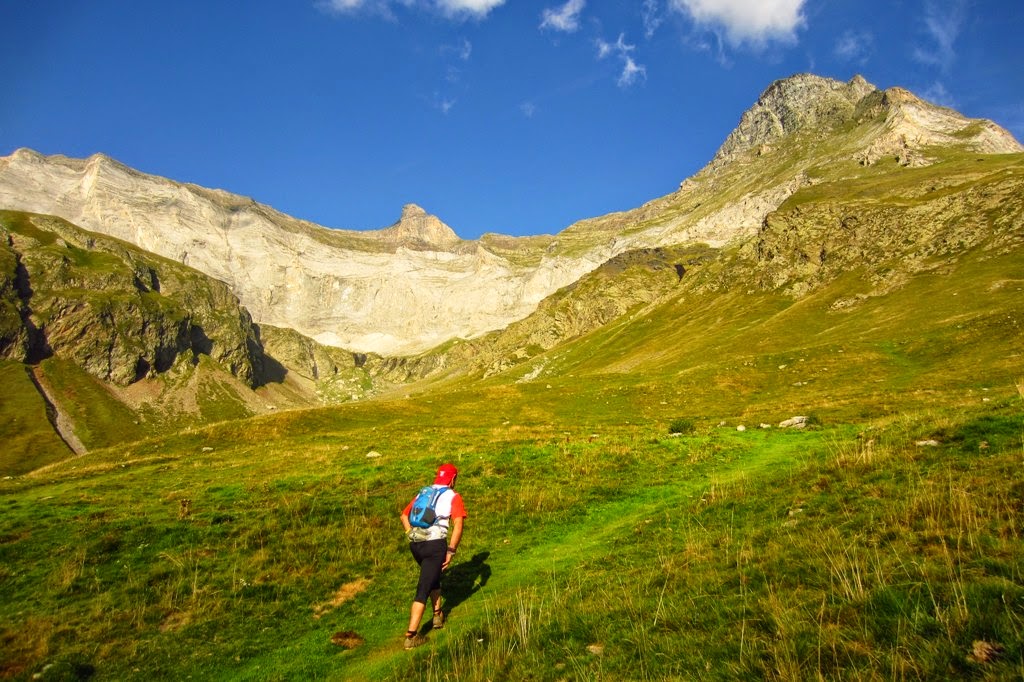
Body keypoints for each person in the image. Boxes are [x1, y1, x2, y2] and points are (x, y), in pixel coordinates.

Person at [400, 463, 466, 649]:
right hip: (435, 546)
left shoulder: (424, 492)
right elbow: (458, 525)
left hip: (416, 545)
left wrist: (410, 534)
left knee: (432, 578)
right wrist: (451, 550)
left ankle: (437, 615)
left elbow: (404, 516)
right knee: (423, 588)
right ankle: (411, 636)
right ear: (453, 479)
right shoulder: (453, 496)